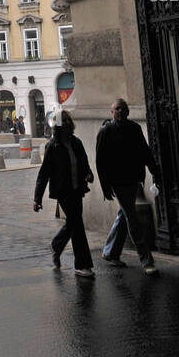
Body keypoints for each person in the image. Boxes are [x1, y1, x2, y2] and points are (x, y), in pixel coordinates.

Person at [95, 98, 159, 273]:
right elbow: (100, 162)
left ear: (128, 111)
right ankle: (146, 260)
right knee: (132, 217)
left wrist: (154, 170)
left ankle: (110, 252)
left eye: (123, 108)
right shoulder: (106, 131)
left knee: (125, 213)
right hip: (118, 182)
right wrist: (105, 187)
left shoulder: (134, 129)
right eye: (117, 109)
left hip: (133, 179)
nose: (120, 111)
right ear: (111, 112)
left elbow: (145, 152)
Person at [33, 110, 95, 276]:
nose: (67, 124)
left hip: (77, 189)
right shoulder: (52, 147)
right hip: (63, 191)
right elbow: (44, 174)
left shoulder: (76, 142)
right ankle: (82, 264)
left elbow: (83, 163)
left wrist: (88, 174)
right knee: (77, 225)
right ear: (58, 126)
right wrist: (37, 198)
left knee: (73, 223)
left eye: (68, 121)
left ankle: (56, 244)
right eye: (63, 122)